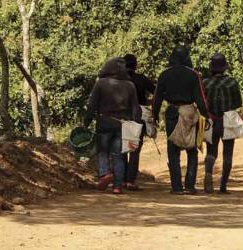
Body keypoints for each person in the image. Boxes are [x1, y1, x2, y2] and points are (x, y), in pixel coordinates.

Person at [153, 46, 209, 195]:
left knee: (173, 152)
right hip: (190, 113)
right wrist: (206, 116)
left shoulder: (164, 75)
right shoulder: (193, 75)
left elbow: (157, 98)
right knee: (192, 151)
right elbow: (200, 99)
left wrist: (154, 116)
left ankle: (176, 187)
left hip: (172, 113)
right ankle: (190, 186)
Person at [84, 57, 141, 194]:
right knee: (119, 155)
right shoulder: (130, 85)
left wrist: (86, 122)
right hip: (122, 124)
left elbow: (92, 105)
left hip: (104, 121)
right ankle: (117, 186)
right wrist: (135, 124)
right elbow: (135, 108)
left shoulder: (101, 84)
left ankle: (104, 173)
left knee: (102, 151)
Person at [203, 53, 242, 194]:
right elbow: (239, 103)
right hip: (228, 121)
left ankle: (208, 172)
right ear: (224, 68)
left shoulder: (205, 83)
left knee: (211, 151)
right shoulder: (232, 82)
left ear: (212, 68)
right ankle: (223, 186)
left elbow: (202, 102)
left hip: (212, 121)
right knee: (228, 154)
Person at [123, 54, 156, 191]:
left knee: (123, 149)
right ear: (135, 65)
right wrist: (150, 103)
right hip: (138, 116)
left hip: (122, 116)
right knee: (134, 149)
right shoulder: (141, 79)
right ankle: (130, 181)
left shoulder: (118, 80)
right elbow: (156, 91)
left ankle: (121, 180)